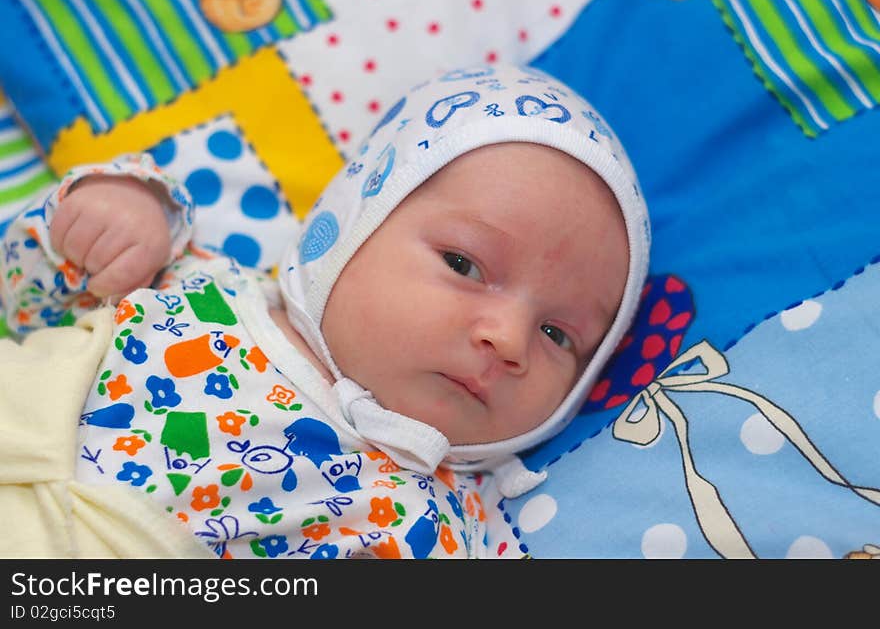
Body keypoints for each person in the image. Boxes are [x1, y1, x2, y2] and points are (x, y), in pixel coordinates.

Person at [0, 63, 650, 559]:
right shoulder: (192, 273)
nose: (509, 339)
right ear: (351, 225)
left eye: (558, 333)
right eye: (463, 264)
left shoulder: (429, 520)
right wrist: (101, 219)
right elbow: (22, 301)